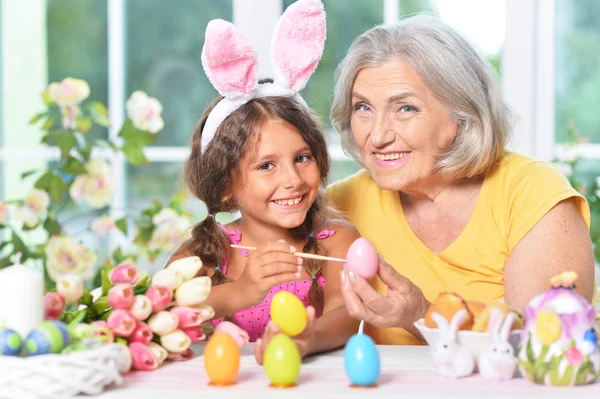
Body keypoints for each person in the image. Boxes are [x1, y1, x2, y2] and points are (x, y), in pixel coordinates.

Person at [327, 14, 596, 345]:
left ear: (461, 116)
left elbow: (541, 347)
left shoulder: (531, 193)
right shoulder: (340, 206)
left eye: (405, 109)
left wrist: (421, 315)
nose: (377, 136)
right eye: (363, 108)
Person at [168, 0, 360, 362]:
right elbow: (167, 307)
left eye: (302, 158)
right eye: (266, 166)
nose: (293, 179)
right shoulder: (207, 251)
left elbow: (346, 313)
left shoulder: (336, 241)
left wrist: (308, 338)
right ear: (225, 185)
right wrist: (243, 291)